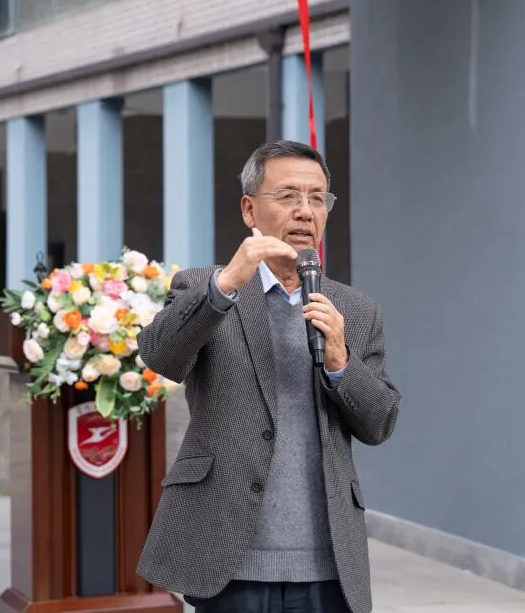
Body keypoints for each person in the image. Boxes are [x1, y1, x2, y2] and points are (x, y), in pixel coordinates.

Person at [136, 141, 400, 613]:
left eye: (317, 198)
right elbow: (160, 356)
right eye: (288, 196)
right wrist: (227, 284)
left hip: (328, 563)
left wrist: (340, 362)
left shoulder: (355, 310)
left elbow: (379, 423)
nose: (304, 211)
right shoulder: (206, 287)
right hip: (229, 557)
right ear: (248, 209)